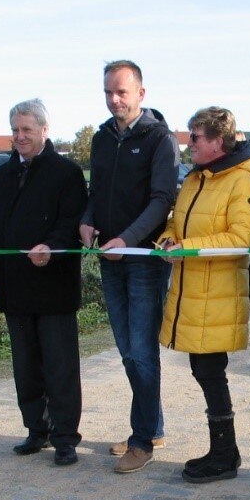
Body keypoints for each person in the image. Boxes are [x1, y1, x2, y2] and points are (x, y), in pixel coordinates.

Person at [0, 99, 88, 466]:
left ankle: (65, 437)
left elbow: (72, 223)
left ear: (44, 131)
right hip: (14, 287)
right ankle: (37, 430)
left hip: (53, 287)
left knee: (60, 366)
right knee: (26, 366)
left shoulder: (66, 172)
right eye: (15, 130)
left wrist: (51, 247)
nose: (20, 137)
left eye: (27, 130)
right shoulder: (2, 177)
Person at [79, 60, 180, 473]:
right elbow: (96, 190)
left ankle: (142, 441)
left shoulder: (160, 138)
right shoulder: (102, 138)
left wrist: (129, 240)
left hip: (142, 259)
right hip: (109, 257)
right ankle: (151, 425)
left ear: (141, 93)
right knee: (126, 350)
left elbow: (162, 201)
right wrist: (86, 219)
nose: (114, 100)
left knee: (141, 351)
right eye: (107, 92)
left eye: (121, 92)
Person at [157, 107, 250, 483]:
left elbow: (240, 239)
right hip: (192, 292)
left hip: (216, 294)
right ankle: (223, 450)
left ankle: (224, 454)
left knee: (210, 372)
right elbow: (176, 218)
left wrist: (187, 246)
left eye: (197, 136)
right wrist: (169, 237)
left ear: (218, 141)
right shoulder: (195, 179)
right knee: (204, 371)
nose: (190, 142)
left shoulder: (242, 183)